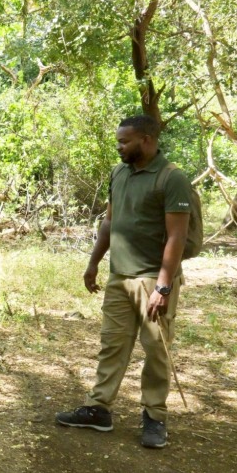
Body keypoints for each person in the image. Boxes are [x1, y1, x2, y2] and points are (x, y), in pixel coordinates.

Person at [56, 114, 190, 449]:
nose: (119, 147)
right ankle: (99, 409)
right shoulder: (119, 172)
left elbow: (176, 237)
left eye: (124, 141)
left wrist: (163, 286)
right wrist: (93, 263)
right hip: (119, 276)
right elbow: (109, 222)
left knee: (156, 350)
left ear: (146, 140)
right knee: (112, 344)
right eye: (118, 141)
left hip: (152, 279)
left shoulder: (172, 179)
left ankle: (155, 417)